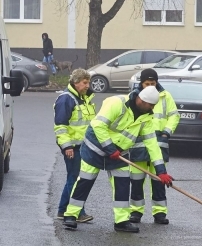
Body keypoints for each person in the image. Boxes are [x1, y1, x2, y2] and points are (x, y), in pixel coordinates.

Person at [63, 86, 174, 233]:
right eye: (151, 105)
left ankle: (121, 221)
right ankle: (71, 215)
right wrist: (110, 148)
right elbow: (98, 125)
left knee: (122, 185)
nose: (152, 108)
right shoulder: (117, 103)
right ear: (141, 100)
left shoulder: (146, 117)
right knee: (85, 181)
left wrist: (161, 171)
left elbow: (152, 144)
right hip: (95, 148)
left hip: (119, 153)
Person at [129, 68, 180, 225]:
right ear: (141, 83)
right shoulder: (134, 97)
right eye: (147, 83)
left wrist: (166, 132)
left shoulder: (165, 96)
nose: (150, 86)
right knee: (136, 180)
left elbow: (174, 115)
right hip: (139, 143)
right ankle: (136, 212)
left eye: (153, 83)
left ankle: (160, 213)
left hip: (159, 142)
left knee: (158, 179)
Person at [53, 68, 96, 223]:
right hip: (73, 147)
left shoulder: (83, 98)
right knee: (76, 179)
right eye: (85, 82)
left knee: (74, 177)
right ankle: (77, 212)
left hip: (82, 146)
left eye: (88, 82)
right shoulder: (66, 99)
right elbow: (60, 126)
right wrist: (67, 147)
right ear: (76, 82)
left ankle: (63, 210)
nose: (87, 85)